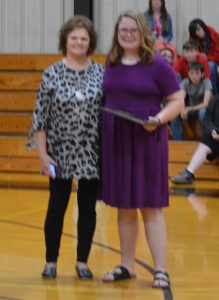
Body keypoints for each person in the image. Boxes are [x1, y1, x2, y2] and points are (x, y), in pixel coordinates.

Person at [100, 10, 184, 288]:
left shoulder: (157, 64)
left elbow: (177, 100)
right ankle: (127, 265)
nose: (127, 35)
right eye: (122, 30)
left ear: (143, 33)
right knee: (124, 207)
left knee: (151, 207)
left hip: (148, 139)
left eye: (132, 31)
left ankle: (160, 269)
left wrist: (158, 120)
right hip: (117, 140)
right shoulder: (110, 62)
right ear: (117, 33)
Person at [26, 16, 104, 279]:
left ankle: (82, 261)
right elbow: (40, 117)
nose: (79, 42)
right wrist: (42, 154)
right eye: (74, 38)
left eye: (84, 38)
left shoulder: (101, 73)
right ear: (65, 41)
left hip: (91, 151)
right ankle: (51, 261)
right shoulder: (51, 73)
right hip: (59, 151)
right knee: (56, 206)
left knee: (87, 208)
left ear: (90, 42)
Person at [171, 93, 219, 184]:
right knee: (204, 144)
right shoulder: (215, 100)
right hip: (216, 136)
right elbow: (207, 120)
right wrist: (213, 131)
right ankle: (189, 173)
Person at [171, 62, 212, 140]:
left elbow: (206, 104)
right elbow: (180, 99)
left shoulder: (207, 82)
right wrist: (182, 109)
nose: (194, 76)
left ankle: (206, 140)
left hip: (206, 111)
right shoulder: (186, 82)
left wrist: (188, 109)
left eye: (197, 73)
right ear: (188, 74)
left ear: (202, 74)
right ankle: (178, 141)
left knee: (202, 112)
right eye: (191, 73)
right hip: (192, 111)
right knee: (175, 113)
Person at [189, 19, 219, 95]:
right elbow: (191, 50)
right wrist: (198, 54)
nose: (197, 33)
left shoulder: (214, 35)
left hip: (213, 60)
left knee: (210, 66)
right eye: (194, 31)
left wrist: (207, 58)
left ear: (203, 27)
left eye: (198, 29)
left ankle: (212, 93)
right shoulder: (193, 37)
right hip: (199, 60)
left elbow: (217, 53)